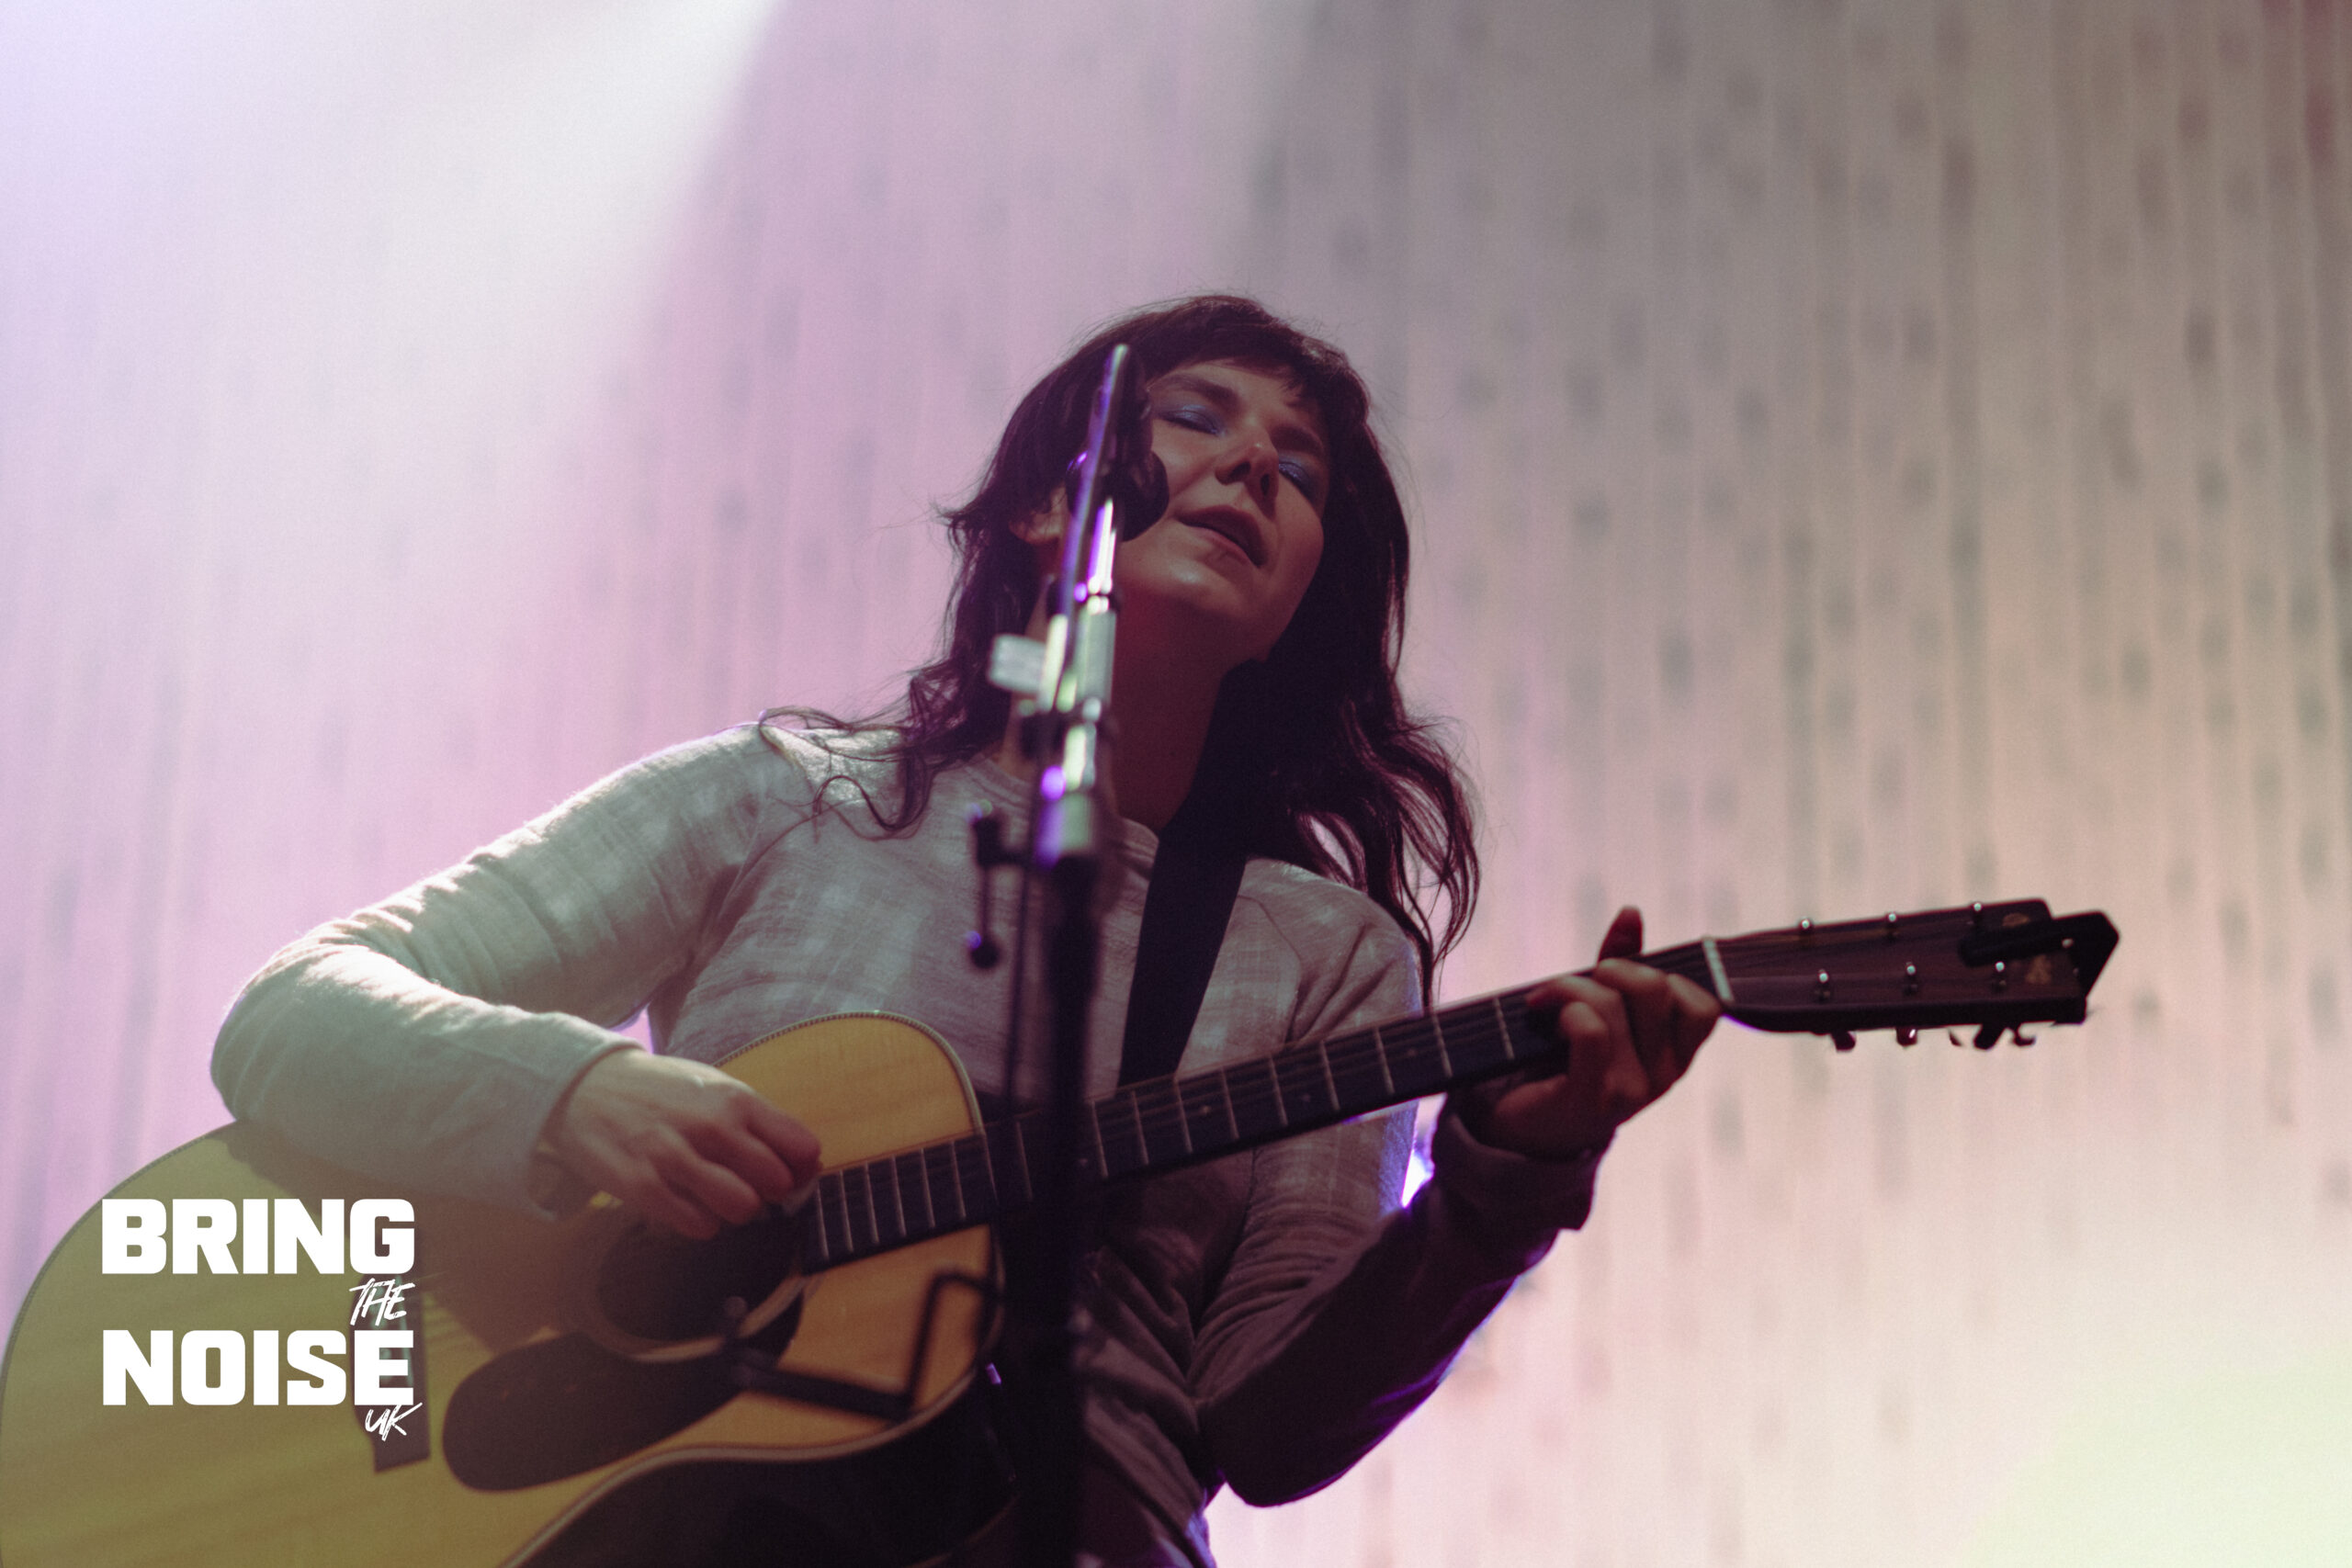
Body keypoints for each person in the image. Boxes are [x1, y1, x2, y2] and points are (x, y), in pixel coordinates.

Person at [213, 296, 1721, 1566]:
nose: (1258, 463)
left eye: (1302, 470)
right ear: (1043, 505)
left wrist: (1507, 1187)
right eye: (1198, 418)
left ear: (1297, 609)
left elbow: (1272, 1428)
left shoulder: (1327, 953)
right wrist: (576, 1095)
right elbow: (295, 1010)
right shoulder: (785, 797)